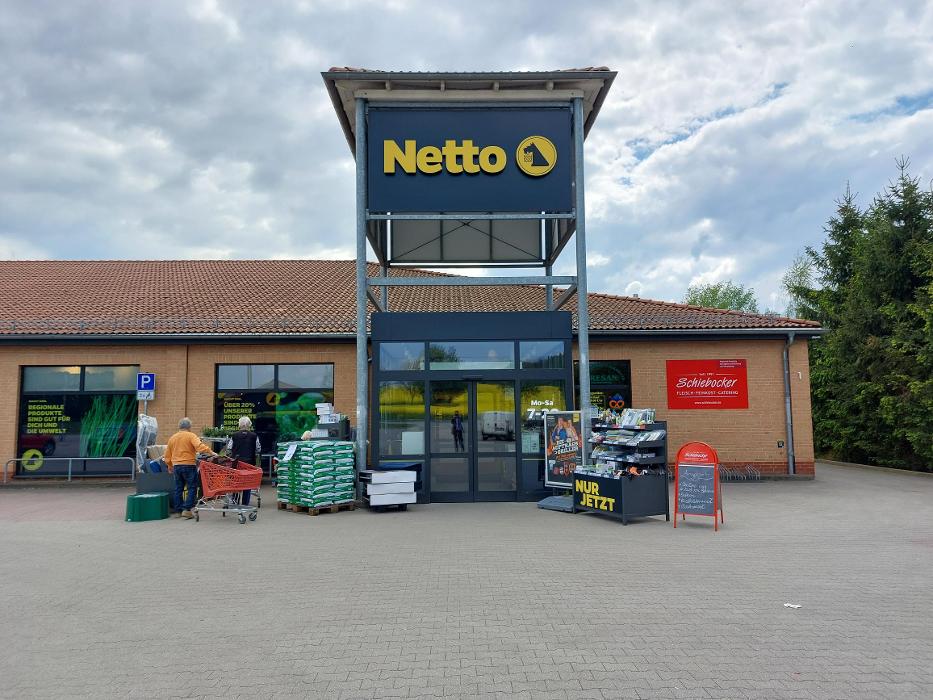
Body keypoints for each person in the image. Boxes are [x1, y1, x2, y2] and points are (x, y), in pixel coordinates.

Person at [164, 417, 216, 519]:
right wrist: (211, 452)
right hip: (189, 465)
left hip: (176, 467)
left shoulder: (172, 438)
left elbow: (167, 455)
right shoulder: (191, 436)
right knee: (192, 487)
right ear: (189, 427)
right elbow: (199, 447)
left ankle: (178, 510)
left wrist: (170, 466)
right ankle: (187, 510)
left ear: (179, 426)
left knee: (178, 488)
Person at [225, 416, 262, 506]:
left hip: (237, 463)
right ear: (249, 425)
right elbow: (258, 449)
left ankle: (234, 500)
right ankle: (245, 503)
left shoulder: (234, 435)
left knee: (236, 482)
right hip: (249, 463)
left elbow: (229, 449)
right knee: (247, 483)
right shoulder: (254, 436)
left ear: (239, 425)